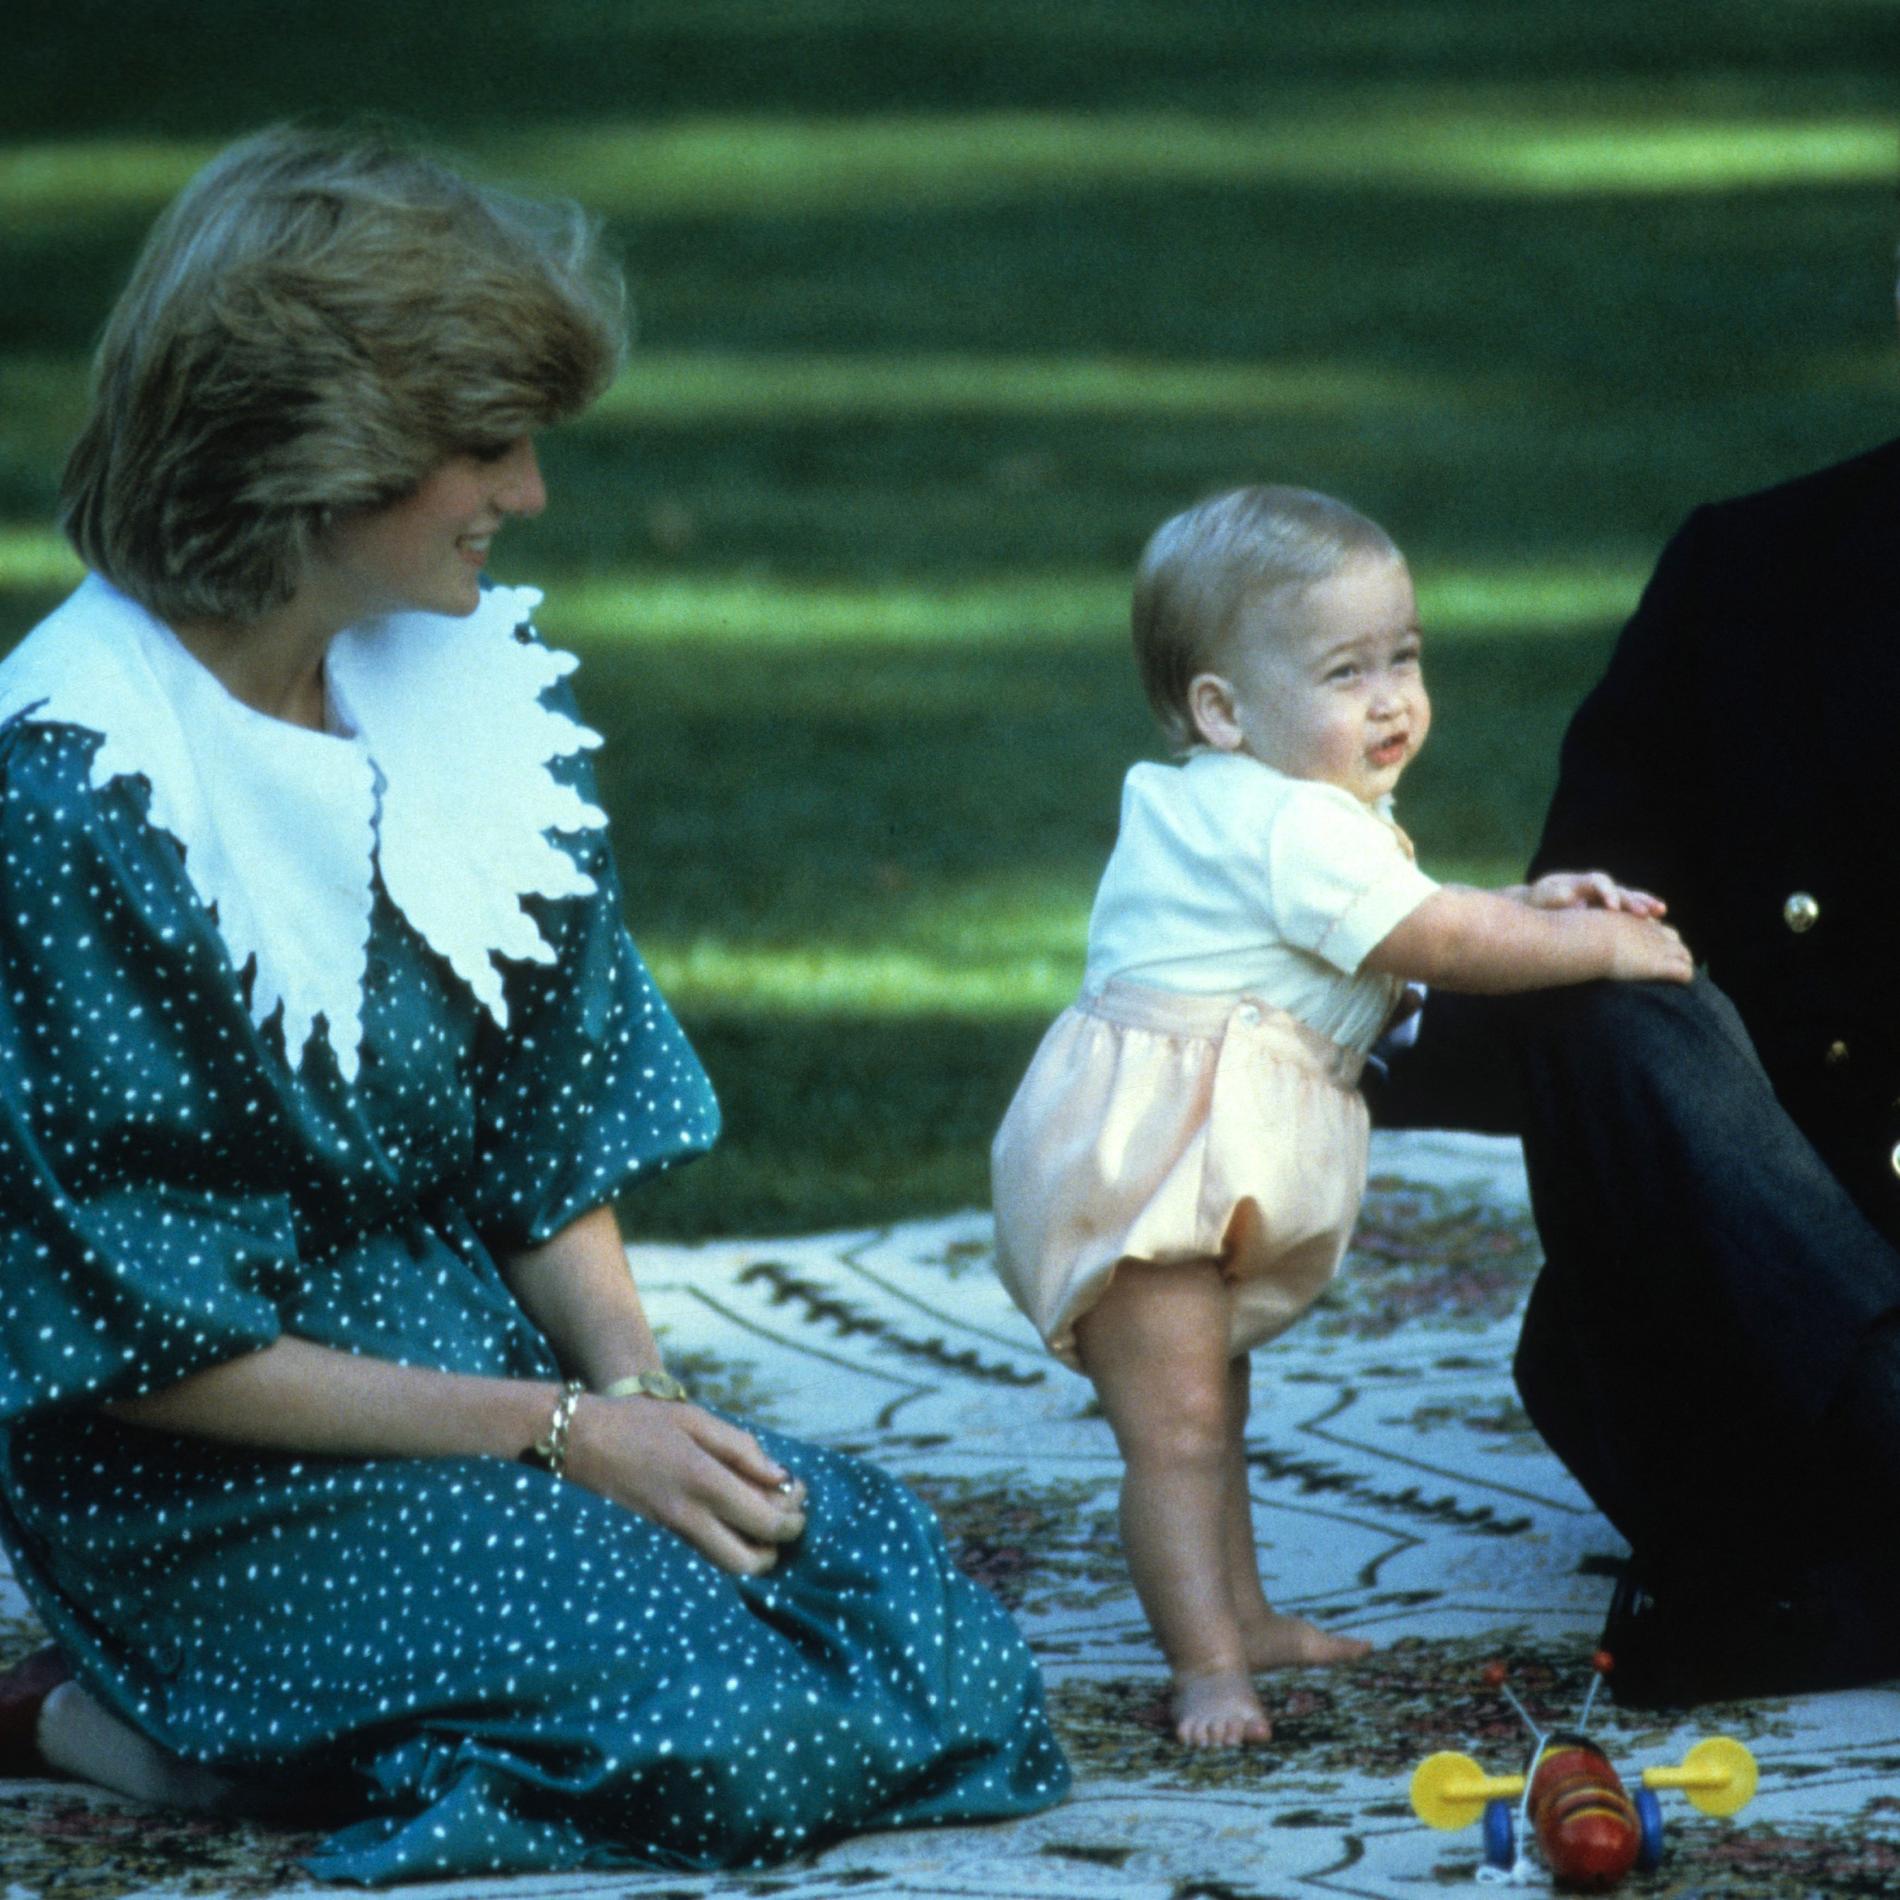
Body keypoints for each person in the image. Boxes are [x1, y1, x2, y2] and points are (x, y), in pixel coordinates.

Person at [0, 124, 1068, 1880]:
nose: (532, 493)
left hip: (482, 1388)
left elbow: (542, 1121)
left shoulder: (449, 679)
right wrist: (566, 1438)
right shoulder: (73, 795)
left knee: (925, 1638)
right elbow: (145, 1347)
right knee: (725, 1737)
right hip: (204, 1478)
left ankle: (261, 1748)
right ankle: (126, 1723)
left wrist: (640, 1400)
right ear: (310, 454)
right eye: (485, 448)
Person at [987, 486, 1693, 1747]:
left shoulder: (1288, 810)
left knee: (1217, 1408)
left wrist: (1530, 899)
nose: (1390, 698)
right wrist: (1586, 943)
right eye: (1344, 669)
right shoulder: (1284, 820)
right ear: (1223, 709)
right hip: (1153, 1163)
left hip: (1188, 1147)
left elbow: (1409, 911)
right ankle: (1207, 1666)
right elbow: (1433, 939)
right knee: (1178, 1431)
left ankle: (1241, 1614)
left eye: (1403, 657)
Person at [1372, 422, 1900, 1706]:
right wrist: (1314, 1018)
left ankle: (1814, 1606)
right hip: (1769, 1312)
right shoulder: (1752, 572)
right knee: (1601, 983)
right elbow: (1572, 984)